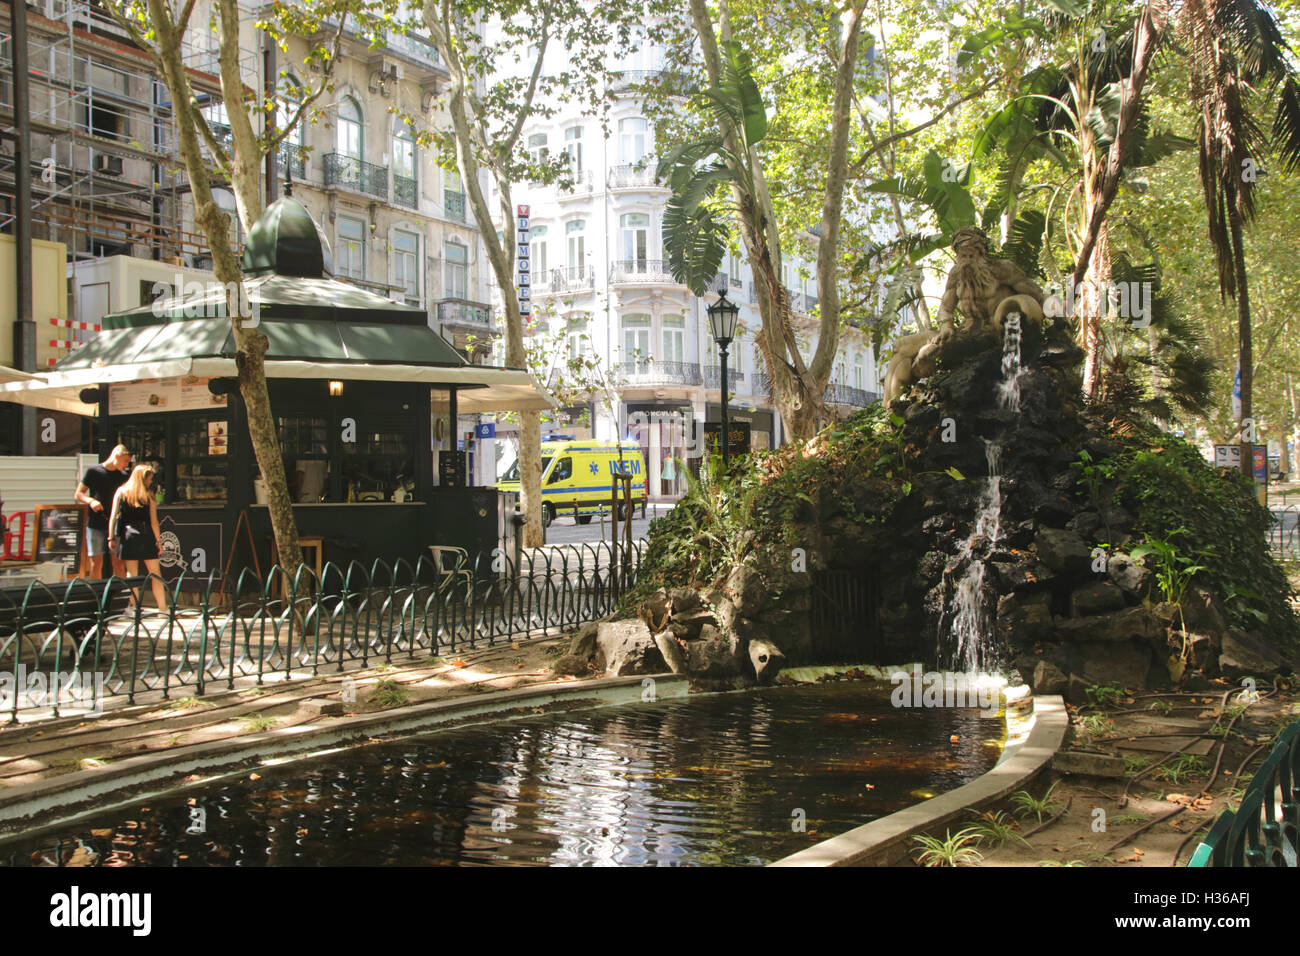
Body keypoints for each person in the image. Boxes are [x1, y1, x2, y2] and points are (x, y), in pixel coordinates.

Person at [108, 465, 170, 613]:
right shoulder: (149, 495)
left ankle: (135, 607)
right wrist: (159, 541)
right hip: (146, 534)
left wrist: (111, 537)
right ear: (143, 479)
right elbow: (154, 521)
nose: (151, 482)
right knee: (155, 574)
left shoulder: (121, 492)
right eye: (149, 479)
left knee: (132, 574)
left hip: (128, 536)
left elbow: (113, 517)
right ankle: (162, 608)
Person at [75, 444, 132, 578]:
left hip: (117, 524)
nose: (126, 465)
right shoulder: (93, 472)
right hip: (96, 522)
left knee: (118, 563)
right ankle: (98, 596)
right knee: (96, 563)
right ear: (116, 457)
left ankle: (121, 595)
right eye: (126, 461)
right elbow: (78, 494)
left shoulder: (124, 476)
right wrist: (91, 501)